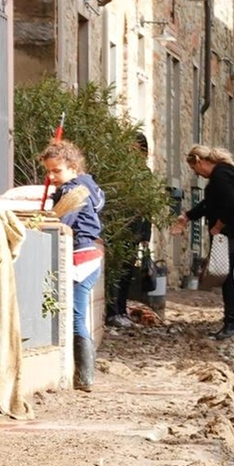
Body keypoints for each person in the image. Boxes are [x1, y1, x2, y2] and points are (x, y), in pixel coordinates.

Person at [42, 140, 106, 393]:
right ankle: (83, 374)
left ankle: (85, 376)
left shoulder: (72, 191)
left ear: (72, 167)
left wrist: (46, 216)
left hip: (80, 255)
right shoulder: (88, 185)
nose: (51, 176)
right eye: (48, 171)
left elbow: (61, 223)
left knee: (77, 315)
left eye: (56, 170)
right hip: (91, 255)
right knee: (78, 314)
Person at [175, 145, 234, 339]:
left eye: (195, 169)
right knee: (228, 276)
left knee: (232, 276)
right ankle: (230, 321)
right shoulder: (221, 177)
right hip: (231, 234)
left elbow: (231, 205)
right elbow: (210, 204)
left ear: (200, 161)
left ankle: (233, 321)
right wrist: (187, 216)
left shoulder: (221, 177)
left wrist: (219, 226)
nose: (197, 173)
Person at [106, 132, 153, 329]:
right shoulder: (118, 170)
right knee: (116, 272)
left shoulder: (144, 173)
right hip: (119, 228)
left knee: (126, 272)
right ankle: (113, 312)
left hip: (134, 229)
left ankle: (121, 310)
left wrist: (145, 234)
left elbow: (147, 206)